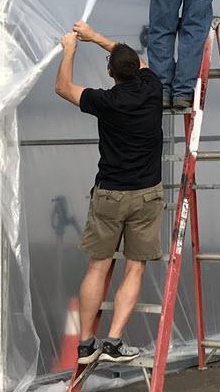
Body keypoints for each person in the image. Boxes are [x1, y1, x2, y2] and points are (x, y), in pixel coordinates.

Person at [54, 20, 164, 365]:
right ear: (137, 69)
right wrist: (98, 37)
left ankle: (86, 345)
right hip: (146, 195)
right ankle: (115, 341)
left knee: (98, 267)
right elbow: (136, 61)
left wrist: (71, 48)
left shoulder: (105, 101)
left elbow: (63, 87)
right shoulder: (152, 87)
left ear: (110, 72)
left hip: (110, 195)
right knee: (135, 268)